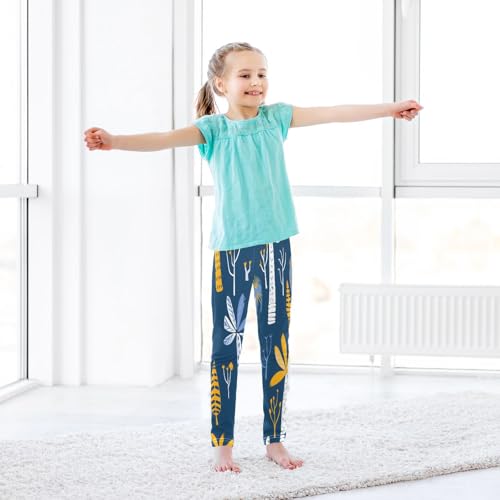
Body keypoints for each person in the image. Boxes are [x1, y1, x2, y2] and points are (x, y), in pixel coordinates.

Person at [83, 41, 423, 474]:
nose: (256, 82)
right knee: (226, 347)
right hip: (232, 251)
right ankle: (222, 445)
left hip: (276, 247)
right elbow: (163, 140)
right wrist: (114, 141)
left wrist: (390, 109)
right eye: (245, 75)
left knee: (275, 345)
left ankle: (274, 440)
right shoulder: (212, 129)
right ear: (221, 84)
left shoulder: (276, 118)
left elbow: (334, 112)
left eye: (261, 74)